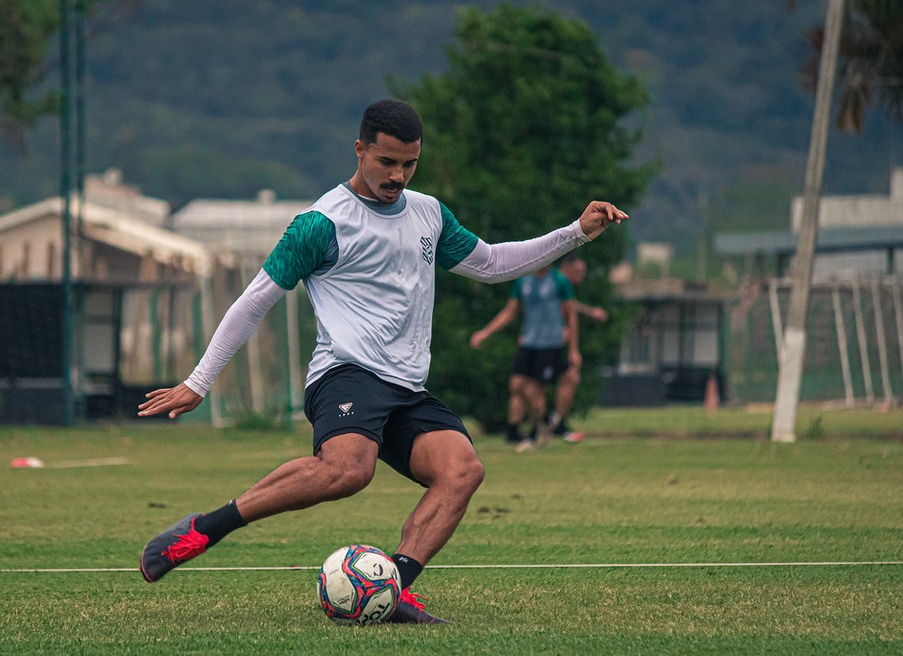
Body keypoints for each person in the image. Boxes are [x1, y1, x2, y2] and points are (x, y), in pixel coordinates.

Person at [136, 99, 627, 624]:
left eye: (409, 164)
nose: (397, 175)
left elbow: (491, 264)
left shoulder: (429, 213)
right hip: (345, 372)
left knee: (462, 471)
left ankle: (391, 590)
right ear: (360, 149)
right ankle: (205, 529)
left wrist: (576, 232)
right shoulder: (319, 224)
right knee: (349, 470)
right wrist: (198, 381)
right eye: (386, 162)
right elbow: (254, 300)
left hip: (407, 386)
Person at [469, 264, 580, 452]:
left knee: (535, 388)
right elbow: (509, 312)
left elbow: (572, 315)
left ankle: (537, 430)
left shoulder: (559, 281)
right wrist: (485, 332)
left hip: (550, 344)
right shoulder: (524, 280)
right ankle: (522, 428)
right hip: (528, 343)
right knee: (517, 386)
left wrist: (574, 349)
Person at [545, 255, 609, 444]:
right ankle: (551, 425)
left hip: (551, 341)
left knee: (567, 378)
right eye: (578, 271)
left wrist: (590, 312)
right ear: (567, 267)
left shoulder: (560, 282)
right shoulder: (556, 280)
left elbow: (569, 306)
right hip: (546, 342)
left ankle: (556, 423)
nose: (581, 275)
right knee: (538, 384)